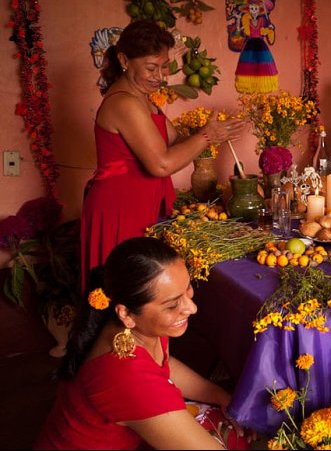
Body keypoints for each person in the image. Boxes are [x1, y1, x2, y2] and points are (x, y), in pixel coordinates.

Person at [35, 237, 253, 450]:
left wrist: (218, 395)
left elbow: (161, 365)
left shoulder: (135, 325)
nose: (191, 308)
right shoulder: (128, 377)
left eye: (187, 288)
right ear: (127, 313)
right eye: (172, 305)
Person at [80, 20, 243, 292]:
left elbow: (175, 142)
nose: (160, 76)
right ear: (123, 60)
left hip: (140, 204)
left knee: (144, 291)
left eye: (164, 66)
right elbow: (161, 163)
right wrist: (207, 136)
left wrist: (210, 134)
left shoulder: (143, 98)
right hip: (119, 208)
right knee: (127, 294)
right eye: (151, 67)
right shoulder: (125, 102)